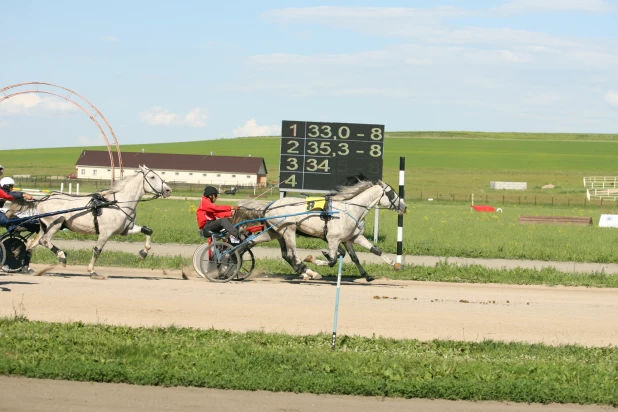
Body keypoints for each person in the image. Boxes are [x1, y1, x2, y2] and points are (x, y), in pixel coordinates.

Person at [0, 177, 37, 273]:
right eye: (11, 187)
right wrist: (23, 194)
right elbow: (7, 195)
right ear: (6, 186)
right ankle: (13, 228)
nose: (12, 188)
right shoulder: (1, 191)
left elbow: (9, 194)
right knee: (6, 219)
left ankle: (13, 229)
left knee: (10, 219)